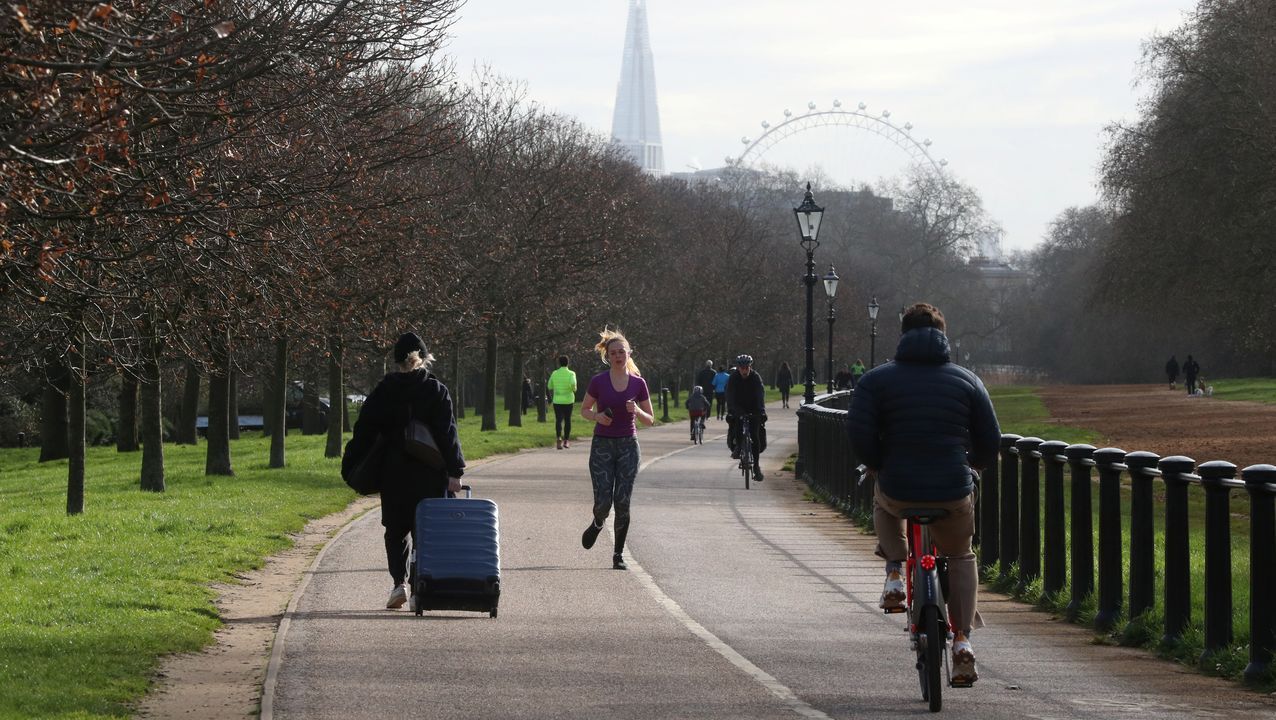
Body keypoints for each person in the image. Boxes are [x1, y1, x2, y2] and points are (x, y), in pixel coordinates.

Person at [847, 303, 1000, 686]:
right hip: (951, 488)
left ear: (902, 335)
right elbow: (989, 440)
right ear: (943, 336)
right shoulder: (968, 380)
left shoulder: (876, 381)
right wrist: (974, 464)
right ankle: (962, 639)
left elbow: (860, 434)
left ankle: (896, 574)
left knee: (883, 501)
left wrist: (875, 462)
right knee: (961, 554)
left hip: (899, 485)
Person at [342, 332, 465, 611]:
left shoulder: (383, 390)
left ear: (397, 361)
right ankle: (419, 582)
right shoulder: (436, 390)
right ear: (425, 358)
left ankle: (399, 584)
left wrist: (352, 464)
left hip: (394, 471)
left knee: (396, 530)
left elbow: (364, 431)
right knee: (427, 529)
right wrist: (455, 470)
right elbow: (448, 434)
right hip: (430, 471)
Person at [579, 330, 655, 570]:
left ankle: (617, 555)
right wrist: (598, 416)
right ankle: (598, 522)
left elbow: (649, 420)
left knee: (622, 501)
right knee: (603, 502)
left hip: (628, 446)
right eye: (613, 353)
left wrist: (637, 411)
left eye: (622, 352)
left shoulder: (638, 383)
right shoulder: (598, 381)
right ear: (607, 356)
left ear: (629, 354)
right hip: (602, 445)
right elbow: (584, 410)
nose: (618, 356)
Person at [726, 354, 767, 481]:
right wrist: (732, 410)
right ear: (738, 368)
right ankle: (738, 446)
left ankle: (756, 467)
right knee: (737, 426)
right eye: (742, 368)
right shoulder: (733, 378)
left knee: (754, 435)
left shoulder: (755, 377)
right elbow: (730, 395)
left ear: (750, 367)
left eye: (746, 368)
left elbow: (760, 394)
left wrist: (761, 410)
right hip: (739, 407)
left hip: (753, 407)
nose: (744, 370)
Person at [547, 355, 578, 450]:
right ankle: (566, 440)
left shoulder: (554, 373)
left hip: (557, 400)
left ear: (559, 363)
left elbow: (549, 386)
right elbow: (573, 384)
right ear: (568, 363)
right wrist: (573, 389)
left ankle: (558, 439)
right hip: (568, 400)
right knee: (567, 420)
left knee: (558, 420)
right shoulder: (571, 373)